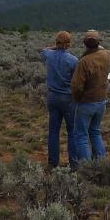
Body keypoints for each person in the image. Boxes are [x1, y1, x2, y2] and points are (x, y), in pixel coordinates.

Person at [69, 29, 110, 164]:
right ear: (98, 43)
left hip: (86, 102)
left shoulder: (84, 61)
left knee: (81, 136)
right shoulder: (107, 55)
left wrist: (76, 98)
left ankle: (86, 167)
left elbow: (76, 86)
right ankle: (101, 163)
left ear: (85, 44)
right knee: (95, 132)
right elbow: (103, 49)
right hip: (101, 100)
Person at [40, 31, 79, 168]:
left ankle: (53, 162)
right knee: (72, 131)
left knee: (54, 130)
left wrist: (56, 46)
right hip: (68, 98)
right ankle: (74, 163)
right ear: (69, 44)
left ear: (56, 42)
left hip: (52, 97)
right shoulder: (73, 60)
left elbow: (44, 50)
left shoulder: (49, 56)